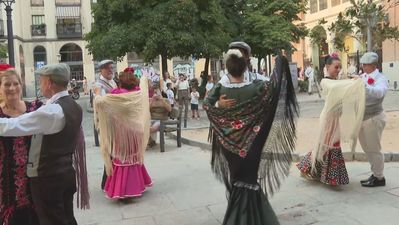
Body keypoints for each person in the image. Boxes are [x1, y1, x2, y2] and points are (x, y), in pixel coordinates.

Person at [204, 49, 299, 225]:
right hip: (252, 144)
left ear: (227, 67)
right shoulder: (256, 87)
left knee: (236, 180)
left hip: (229, 145)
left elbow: (207, 105)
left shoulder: (220, 87)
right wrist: (279, 62)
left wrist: (219, 103)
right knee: (250, 180)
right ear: (245, 66)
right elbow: (274, 88)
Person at [0, 63, 85, 225]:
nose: (40, 84)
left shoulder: (51, 111)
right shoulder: (74, 106)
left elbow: (14, 125)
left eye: (41, 80)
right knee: (67, 218)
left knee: (53, 220)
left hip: (49, 179)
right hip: (66, 173)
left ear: (50, 84)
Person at [297, 54, 365, 186]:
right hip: (329, 119)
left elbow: (345, 92)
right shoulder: (326, 81)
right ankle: (317, 172)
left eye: (340, 67)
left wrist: (354, 83)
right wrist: (354, 82)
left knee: (326, 144)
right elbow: (337, 88)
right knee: (327, 144)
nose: (339, 69)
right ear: (327, 67)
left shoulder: (337, 81)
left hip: (335, 119)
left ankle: (314, 171)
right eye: (336, 67)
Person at [94, 68, 152, 199]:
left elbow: (100, 103)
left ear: (120, 83)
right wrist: (144, 78)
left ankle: (123, 189)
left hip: (122, 132)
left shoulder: (116, 94)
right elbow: (146, 92)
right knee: (133, 157)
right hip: (136, 130)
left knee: (121, 158)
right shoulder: (138, 93)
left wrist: (97, 92)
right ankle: (137, 185)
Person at [0, 70, 42, 225]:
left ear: (21, 85)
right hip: (6, 177)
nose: (12, 88)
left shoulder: (35, 109)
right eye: (7, 84)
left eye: (15, 83)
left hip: (35, 174)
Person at [358, 52, 389, 187]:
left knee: (374, 148)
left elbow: (380, 92)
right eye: (363, 64)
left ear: (374, 65)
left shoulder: (381, 78)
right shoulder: (362, 76)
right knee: (366, 148)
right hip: (362, 118)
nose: (364, 66)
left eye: (367, 64)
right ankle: (375, 173)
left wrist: (364, 86)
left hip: (374, 117)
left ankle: (379, 177)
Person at [94, 59, 118, 189]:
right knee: (109, 151)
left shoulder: (113, 82)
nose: (111, 70)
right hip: (106, 123)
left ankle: (110, 180)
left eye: (111, 67)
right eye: (108, 68)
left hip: (115, 121)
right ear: (101, 70)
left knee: (114, 152)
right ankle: (107, 182)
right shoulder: (99, 84)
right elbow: (101, 101)